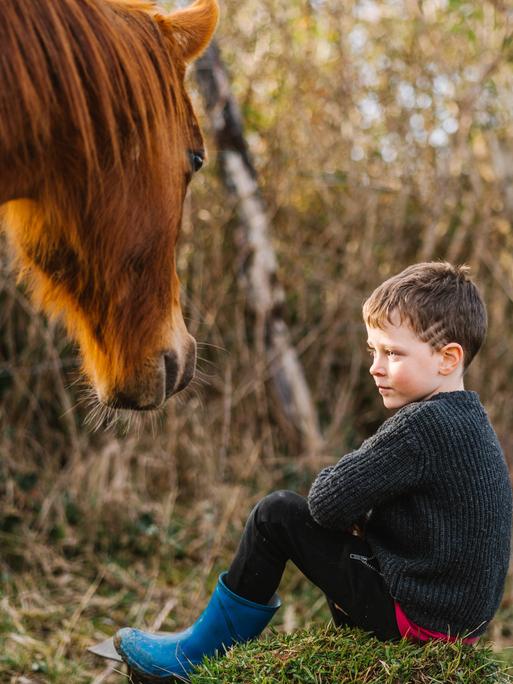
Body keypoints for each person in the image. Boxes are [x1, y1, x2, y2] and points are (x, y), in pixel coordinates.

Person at [112, 261, 512, 682]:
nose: (376, 366)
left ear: (448, 358)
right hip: (452, 627)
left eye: (392, 353)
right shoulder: (470, 421)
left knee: (276, 515)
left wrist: (354, 513)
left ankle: (194, 657)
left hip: (414, 621)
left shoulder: (423, 425)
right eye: (372, 349)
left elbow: (326, 501)